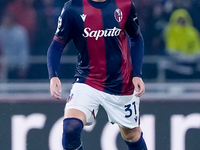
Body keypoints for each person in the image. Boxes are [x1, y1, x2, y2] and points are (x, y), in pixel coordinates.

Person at [47, 0, 147, 150]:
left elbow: (136, 37)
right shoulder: (72, 8)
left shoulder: (125, 5)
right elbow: (57, 45)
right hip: (88, 80)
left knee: (132, 136)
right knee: (70, 127)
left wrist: (137, 74)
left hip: (121, 83)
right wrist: (53, 75)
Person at [0, 10, 29, 80]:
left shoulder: (20, 32)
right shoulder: (1, 32)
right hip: (3, 67)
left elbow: (23, 50)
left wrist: (23, 66)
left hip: (17, 65)